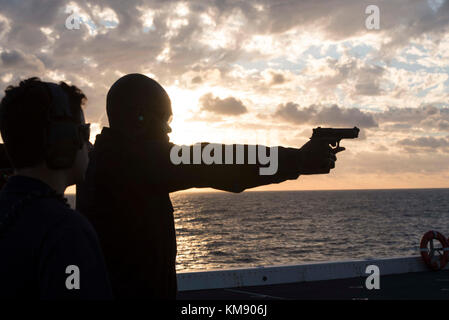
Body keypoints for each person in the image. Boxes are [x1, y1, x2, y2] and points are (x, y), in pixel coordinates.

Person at [76, 73, 344, 299]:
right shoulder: (133, 161)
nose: (169, 131)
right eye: (164, 120)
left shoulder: (102, 161)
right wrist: (297, 160)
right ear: (140, 119)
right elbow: (216, 163)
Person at [0, 77, 113, 299]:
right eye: (84, 132)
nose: (88, 146)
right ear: (63, 140)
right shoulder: (67, 231)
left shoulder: (10, 212)